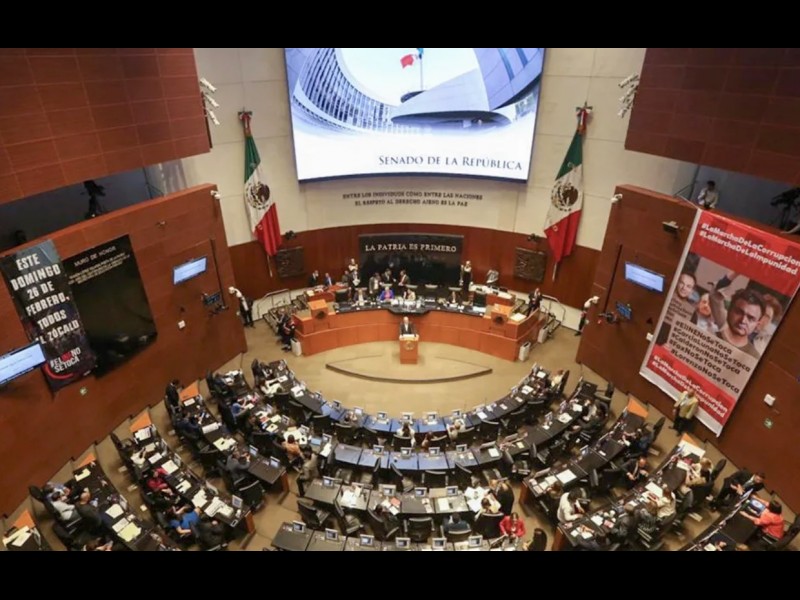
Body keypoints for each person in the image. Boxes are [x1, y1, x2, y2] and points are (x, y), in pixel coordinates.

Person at [714, 288, 765, 358]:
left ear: (757, 324)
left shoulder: (753, 357)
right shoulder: (709, 333)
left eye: (750, 318)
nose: (743, 320)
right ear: (729, 311)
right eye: (739, 312)